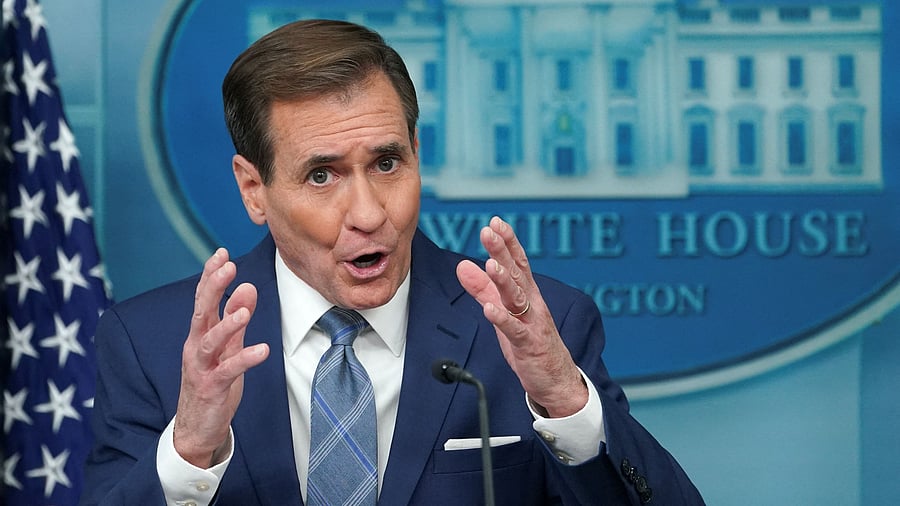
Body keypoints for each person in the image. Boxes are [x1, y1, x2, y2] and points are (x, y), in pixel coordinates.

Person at [81, 19, 705, 505]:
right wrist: (188, 450)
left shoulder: (539, 329)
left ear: (416, 153)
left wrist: (567, 402)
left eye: (386, 163)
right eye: (322, 175)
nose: (370, 213)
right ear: (253, 190)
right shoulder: (152, 345)